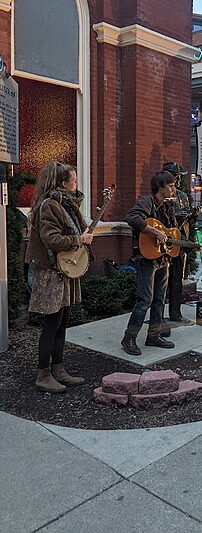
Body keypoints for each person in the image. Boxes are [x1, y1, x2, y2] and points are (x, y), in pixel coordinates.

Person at [25, 162, 93, 393]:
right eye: (73, 180)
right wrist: (79, 240)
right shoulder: (50, 206)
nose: (76, 184)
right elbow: (51, 240)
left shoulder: (64, 205)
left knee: (63, 322)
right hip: (51, 273)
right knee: (52, 324)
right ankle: (43, 375)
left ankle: (58, 369)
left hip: (63, 272)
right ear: (63, 183)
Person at [121, 171, 178, 356]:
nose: (173, 188)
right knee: (145, 300)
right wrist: (154, 231)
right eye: (170, 185)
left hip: (162, 259)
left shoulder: (169, 207)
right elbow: (132, 217)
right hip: (147, 259)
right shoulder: (147, 202)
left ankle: (153, 336)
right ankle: (129, 338)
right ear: (160, 186)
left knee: (160, 299)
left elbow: (173, 232)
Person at [162, 161, 194, 326]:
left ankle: (175, 313)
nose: (179, 180)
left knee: (177, 279)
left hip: (180, 242)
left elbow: (189, 220)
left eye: (179, 177)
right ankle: (158, 316)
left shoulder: (182, 196)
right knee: (161, 281)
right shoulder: (160, 195)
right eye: (176, 176)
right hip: (164, 243)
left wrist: (193, 215)